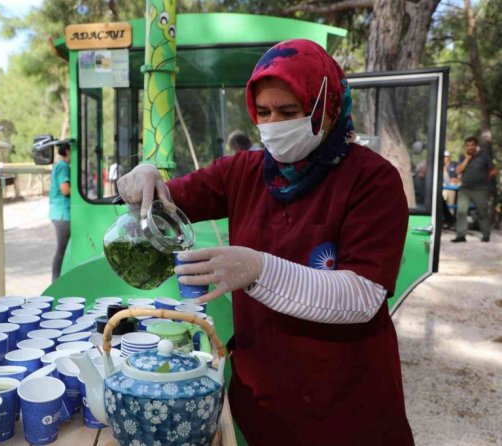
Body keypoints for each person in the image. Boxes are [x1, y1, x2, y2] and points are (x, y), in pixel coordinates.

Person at [118, 39, 414, 445]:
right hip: (263, 401)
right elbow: (169, 199)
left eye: (289, 112)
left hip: (345, 405)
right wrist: (146, 178)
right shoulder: (244, 171)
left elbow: (363, 296)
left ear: (325, 107)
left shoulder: (372, 180)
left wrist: (259, 269)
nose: (274, 124)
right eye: (264, 112)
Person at [451, 136, 496, 243]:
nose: (470, 147)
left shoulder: (484, 157)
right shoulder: (463, 157)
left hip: (480, 190)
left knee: (482, 212)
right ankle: (461, 235)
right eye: (468, 145)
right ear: (465, 147)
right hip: (465, 189)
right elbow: (458, 171)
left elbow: (493, 171)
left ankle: (486, 234)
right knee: (461, 211)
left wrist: (486, 179)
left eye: (472, 145)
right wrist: (467, 159)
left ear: (476, 146)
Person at [49, 142, 71, 282]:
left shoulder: (59, 165)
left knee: (62, 250)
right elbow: (65, 190)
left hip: (59, 213)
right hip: (63, 214)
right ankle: (56, 281)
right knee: (61, 250)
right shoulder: (63, 166)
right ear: (68, 151)